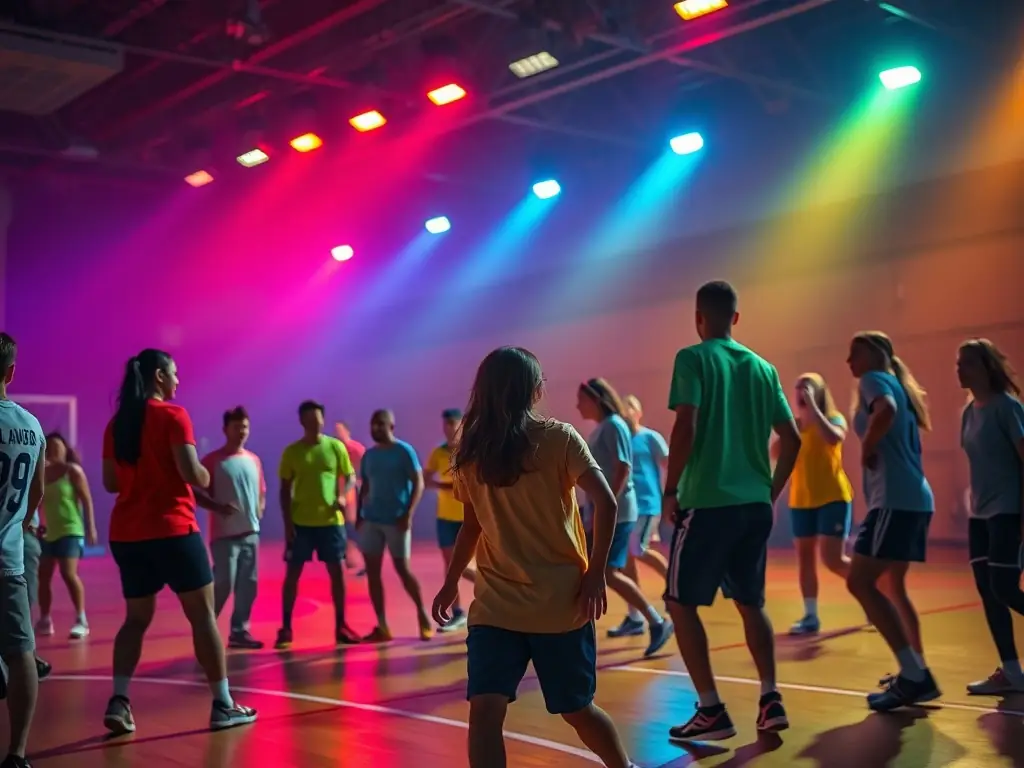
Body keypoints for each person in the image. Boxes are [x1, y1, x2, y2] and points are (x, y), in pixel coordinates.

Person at [432, 346, 640, 768]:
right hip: (498, 605)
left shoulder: (557, 439)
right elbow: (472, 525)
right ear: (532, 389)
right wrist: (452, 580)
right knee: (486, 708)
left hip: (558, 603)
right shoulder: (474, 453)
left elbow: (607, 503)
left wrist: (596, 573)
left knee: (575, 709)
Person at [661, 281, 801, 741]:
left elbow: (686, 424)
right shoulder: (763, 368)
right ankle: (769, 697)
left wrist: (670, 490)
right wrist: (770, 492)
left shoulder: (694, 358)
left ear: (698, 316)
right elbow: (793, 439)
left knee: (679, 604)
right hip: (754, 504)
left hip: (709, 501)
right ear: (736, 318)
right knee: (749, 602)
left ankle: (711, 709)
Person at [102, 349, 257, 735]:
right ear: (158, 376)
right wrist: (205, 471)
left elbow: (109, 482)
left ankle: (119, 701)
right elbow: (194, 474)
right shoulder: (174, 416)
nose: (177, 380)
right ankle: (223, 704)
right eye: (173, 373)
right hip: (173, 531)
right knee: (203, 617)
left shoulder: (117, 424)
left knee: (135, 620)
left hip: (128, 534)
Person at [844, 331, 939, 711]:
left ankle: (914, 675)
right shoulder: (895, 382)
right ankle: (917, 672)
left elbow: (885, 411)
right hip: (913, 498)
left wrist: (867, 445)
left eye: (854, 353)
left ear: (874, 353)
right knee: (893, 586)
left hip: (895, 502)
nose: (848, 362)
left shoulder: (875, 381)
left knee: (860, 581)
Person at [577, 380, 672, 657]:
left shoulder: (614, 425)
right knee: (603, 570)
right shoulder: (601, 430)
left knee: (607, 572)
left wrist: (606, 505)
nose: (577, 405)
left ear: (596, 400)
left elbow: (622, 468)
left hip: (619, 512)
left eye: (581, 399)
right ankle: (635, 619)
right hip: (605, 511)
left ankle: (657, 621)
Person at [956, 339, 1024, 695]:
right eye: (957, 363)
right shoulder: (968, 412)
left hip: (1008, 510)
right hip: (979, 514)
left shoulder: (1007, 408)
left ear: (985, 367)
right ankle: (1012, 672)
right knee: (988, 590)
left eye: (965, 363)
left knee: (1005, 588)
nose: (958, 369)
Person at [276, 401, 358, 649]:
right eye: (310, 420)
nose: (315, 424)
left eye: (318, 419)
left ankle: (341, 625)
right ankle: (286, 627)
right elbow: (284, 490)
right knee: (292, 575)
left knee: (337, 573)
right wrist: (287, 524)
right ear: (302, 422)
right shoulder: (292, 452)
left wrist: (343, 494)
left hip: (331, 523)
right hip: (301, 524)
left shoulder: (334, 447)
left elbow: (351, 475)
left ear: (323, 420)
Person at [0, 332, 46, 768]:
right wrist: (18, 521)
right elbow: (37, 491)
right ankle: (16, 752)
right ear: (10, 373)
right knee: (21, 653)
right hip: (8, 560)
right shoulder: (31, 427)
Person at [782, 374, 855, 636]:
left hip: (832, 496)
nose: (802, 392)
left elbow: (834, 438)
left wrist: (813, 409)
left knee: (833, 559)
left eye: (808, 388)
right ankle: (810, 615)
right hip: (801, 499)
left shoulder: (833, 419)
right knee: (805, 558)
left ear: (819, 392)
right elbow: (774, 452)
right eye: (798, 388)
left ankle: (871, 591)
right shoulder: (795, 426)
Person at [358, 410, 432, 642]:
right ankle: (382, 625)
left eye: (381, 424)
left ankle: (422, 615)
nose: (376, 428)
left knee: (403, 570)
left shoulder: (404, 451)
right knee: (372, 573)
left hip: (396, 520)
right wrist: (361, 513)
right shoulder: (369, 455)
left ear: (392, 426)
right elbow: (366, 485)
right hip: (372, 520)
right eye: (373, 424)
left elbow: (418, 483)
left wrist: (408, 514)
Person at [196, 407, 265, 650]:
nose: (241, 431)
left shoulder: (253, 460)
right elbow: (195, 492)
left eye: (244, 427)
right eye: (236, 427)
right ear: (225, 430)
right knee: (224, 582)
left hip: (250, 534)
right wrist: (216, 506)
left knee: (249, 583)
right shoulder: (213, 461)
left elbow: (261, 492)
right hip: (224, 536)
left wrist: (259, 511)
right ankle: (205, 628)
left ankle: (239, 630)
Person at [608, 395, 670, 638]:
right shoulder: (619, 439)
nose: (626, 412)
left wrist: (671, 497)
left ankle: (674, 584)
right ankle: (634, 617)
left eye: (630, 407)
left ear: (639, 411)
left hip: (648, 504)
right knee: (627, 560)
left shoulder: (651, 437)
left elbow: (669, 464)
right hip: (628, 506)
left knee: (637, 549)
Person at [36, 432, 97, 640]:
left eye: (58, 446)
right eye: (50, 446)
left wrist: (91, 528)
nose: (54, 450)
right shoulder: (41, 474)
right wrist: (36, 524)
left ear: (65, 449)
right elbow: (37, 502)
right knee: (43, 576)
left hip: (71, 530)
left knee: (68, 573)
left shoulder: (72, 471)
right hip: (48, 532)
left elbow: (86, 500)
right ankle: (45, 619)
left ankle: (81, 619)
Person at [425, 408, 476, 632]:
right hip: (445, 517)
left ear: (461, 425)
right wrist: (444, 486)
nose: (449, 428)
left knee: (472, 565)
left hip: (470, 517)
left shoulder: (470, 452)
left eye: (452, 424)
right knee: (450, 566)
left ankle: (498, 596)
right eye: (445, 424)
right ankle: (457, 612)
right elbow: (426, 479)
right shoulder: (438, 453)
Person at [334, 421, 366, 572]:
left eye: (340, 430)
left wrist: (360, 482)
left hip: (351, 492)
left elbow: (366, 466)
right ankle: (345, 556)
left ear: (347, 431)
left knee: (352, 526)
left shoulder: (355, 448)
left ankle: (366, 557)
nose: (337, 434)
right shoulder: (335, 448)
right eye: (335, 431)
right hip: (338, 491)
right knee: (342, 527)